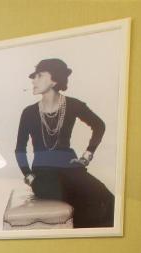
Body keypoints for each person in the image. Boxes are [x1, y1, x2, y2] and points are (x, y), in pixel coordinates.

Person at [14, 58, 114, 228]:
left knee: (107, 199)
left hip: (72, 170)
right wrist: (28, 175)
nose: (33, 80)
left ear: (54, 80)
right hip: (43, 175)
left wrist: (87, 155)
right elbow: (20, 149)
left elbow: (99, 125)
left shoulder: (73, 105)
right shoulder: (29, 112)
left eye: (39, 75)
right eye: (34, 76)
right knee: (80, 198)